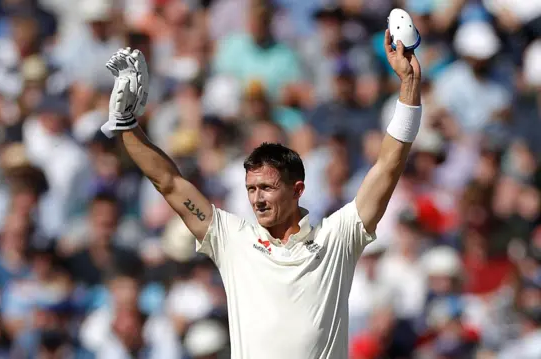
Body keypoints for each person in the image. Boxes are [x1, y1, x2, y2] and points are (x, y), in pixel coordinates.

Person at [98, 26, 422, 359]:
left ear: (297, 190)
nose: (257, 198)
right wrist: (127, 127)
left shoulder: (336, 239)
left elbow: (387, 167)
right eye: (251, 189)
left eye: (267, 187)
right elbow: (168, 182)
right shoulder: (232, 240)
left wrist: (409, 86)